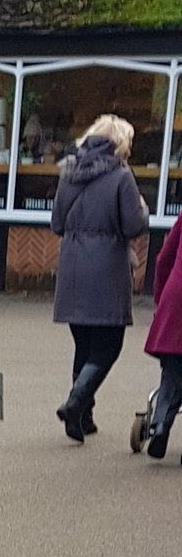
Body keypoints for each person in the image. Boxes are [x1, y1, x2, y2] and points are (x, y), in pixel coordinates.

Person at [51, 114, 149, 442]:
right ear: (119, 143)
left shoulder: (68, 173)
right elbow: (132, 225)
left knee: (85, 345)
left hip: (73, 270)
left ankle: (81, 418)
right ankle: (75, 402)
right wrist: (144, 209)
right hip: (107, 270)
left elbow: (57, 224)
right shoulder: (122, 176)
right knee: (108, 347)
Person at [143, 217, 182, 458]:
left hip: (176, 300)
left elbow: (163, 259)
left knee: (172, 371)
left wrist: (161, 298)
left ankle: (160, 424)